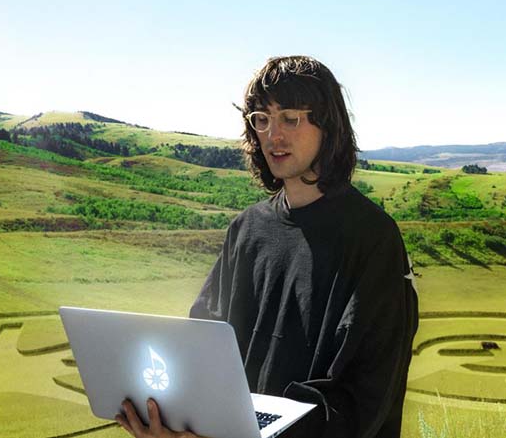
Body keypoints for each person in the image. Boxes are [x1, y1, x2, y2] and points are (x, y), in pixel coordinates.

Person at [116, 55, 419, 438]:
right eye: (262, 119)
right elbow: (203, 346)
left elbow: (364, 400)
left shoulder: (373, 238)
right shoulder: (246, 229)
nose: (273, 135)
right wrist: (177, 420)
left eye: (290, 118)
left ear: (328, 125)